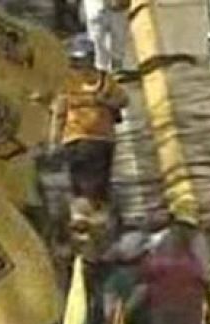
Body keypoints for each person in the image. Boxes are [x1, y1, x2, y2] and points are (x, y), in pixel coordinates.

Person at [50, 34, 128, 205]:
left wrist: (105, 101)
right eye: (76, 60)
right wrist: (54, 141)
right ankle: (86, 220)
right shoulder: (67, 83)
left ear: (91, 58)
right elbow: (59, 113)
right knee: (80, 188)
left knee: (98, 188)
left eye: (82, 59)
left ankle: (99, 219)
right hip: (75, 140)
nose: (78, 65)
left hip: (102, 141)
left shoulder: (105, 80)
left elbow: (123, 100)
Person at [83, 0, 128, 73]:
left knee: (118, 38)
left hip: (112, 9)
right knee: (99, 41)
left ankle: (117, 68)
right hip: (96, 10)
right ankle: (104, 73)